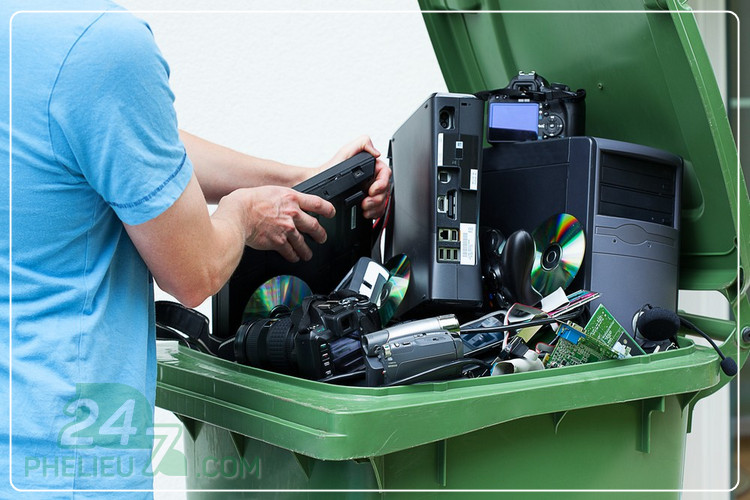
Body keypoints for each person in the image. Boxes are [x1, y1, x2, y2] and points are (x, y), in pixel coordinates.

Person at [0, 1, 391, 497]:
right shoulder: (101, 43)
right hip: (68, 468)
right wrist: (241, 217)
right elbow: (195, 271)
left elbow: (133, 142)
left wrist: (306, 181)